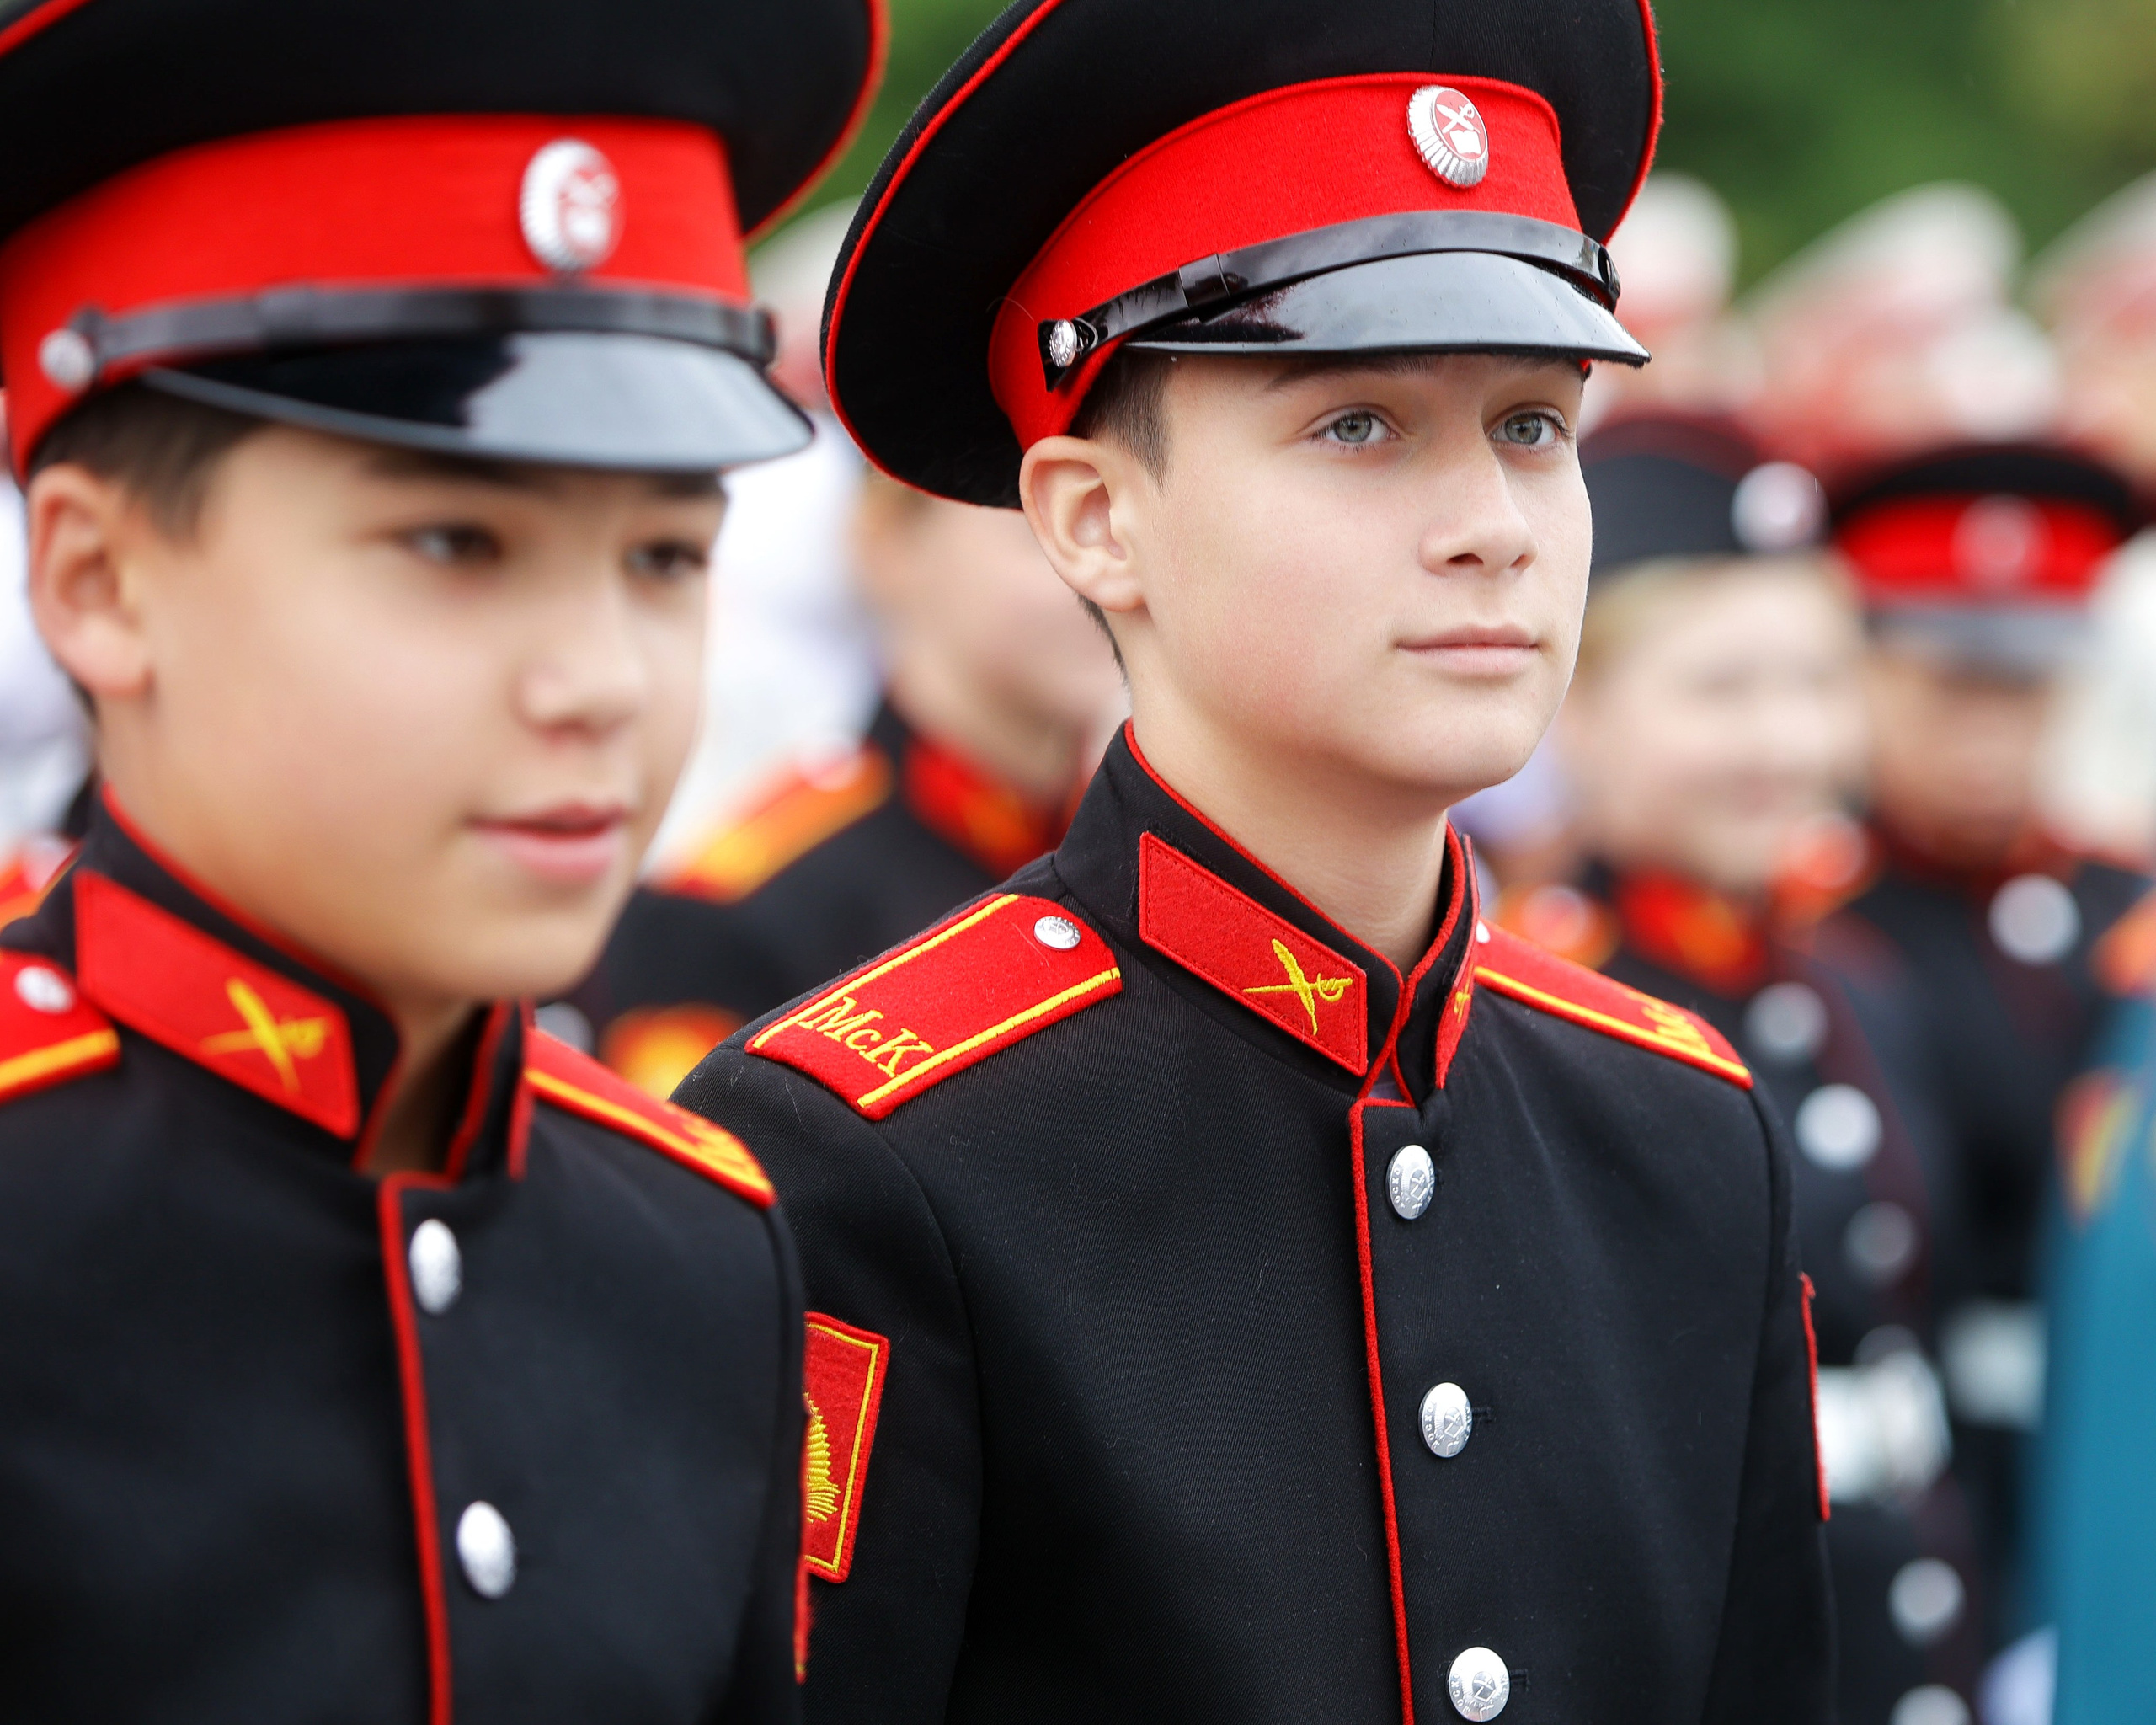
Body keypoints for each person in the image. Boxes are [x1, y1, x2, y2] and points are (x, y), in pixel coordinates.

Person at [676, 2, 1833, 1718]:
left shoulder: (1675, 1126)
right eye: (1355, 426)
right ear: (1090, 517)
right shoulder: (870, 1152)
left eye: (1531, 423)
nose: (1489, 524)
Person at [0, 0, 880, 1715]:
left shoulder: (697, 1243)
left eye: (662, 558)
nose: (600, 683)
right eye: (453, 541)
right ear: (99, 582)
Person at [1528, 413, 1981, 1725]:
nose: (1785, 741)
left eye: (1817, 682)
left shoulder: (1855, 988)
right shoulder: (1547, 1007)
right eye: (1721, 690)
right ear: (1583, 709)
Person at [1823, 443, 2147, 1647]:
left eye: (2025, 690)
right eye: (1949, 685)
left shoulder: (2123, 916)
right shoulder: (1817, 936)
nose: (1991, 734)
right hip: (1922, 1505)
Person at [576, 467, 1125, 1097]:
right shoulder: (737, 914)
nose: (1099, 570)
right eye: (1039, 531)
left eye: (1114, 522)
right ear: (886, 542)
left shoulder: (1134, 853)